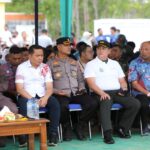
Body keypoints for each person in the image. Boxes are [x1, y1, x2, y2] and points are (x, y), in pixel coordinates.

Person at [84, 40, 140, 144]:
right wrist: (102, 93)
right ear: (96, 50)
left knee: (135, 103)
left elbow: (122, 80)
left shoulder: (115, 63)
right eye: (99, 48)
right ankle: (107, 134)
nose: (101, 50)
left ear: (109, 51)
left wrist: (123, 89)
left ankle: (122, 128)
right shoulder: (91, 64)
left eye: (104, 48)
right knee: (105, 103)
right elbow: (91, 84)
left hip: (117, 91)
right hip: (99, 92)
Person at [47, 37, 98, 141]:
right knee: (62, 106)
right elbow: (46, 83)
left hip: (76, 92)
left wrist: (82, 88)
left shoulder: (74, 62)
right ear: (59, 47)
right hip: (60, 93)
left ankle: (80, 125)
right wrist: (56, 91)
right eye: (66, 45)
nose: (69, 47)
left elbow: (80, 79)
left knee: (92, 103)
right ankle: (66, 127)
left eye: (70, 45)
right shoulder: (50, 63)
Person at [15, 45, 60, 146]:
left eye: (42, 55)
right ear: (30, 56)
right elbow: (19, 89)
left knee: (55, 104)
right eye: (37, 55)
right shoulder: (21, 67)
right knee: (24, 106)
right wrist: (32, 100)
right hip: (26, 95)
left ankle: (52, 134)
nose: (40, 58)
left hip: (42, 95)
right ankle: (23, 136)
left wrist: (45, 98)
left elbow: (49, 87)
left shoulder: (45, 67)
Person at [128, 41, 150, 135]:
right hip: (140, 93)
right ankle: (145, 127)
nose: (142, 51)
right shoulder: (134, 63)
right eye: (141, 49)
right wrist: (148, 93)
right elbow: (134, 84)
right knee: (144, 104)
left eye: (146, 49)